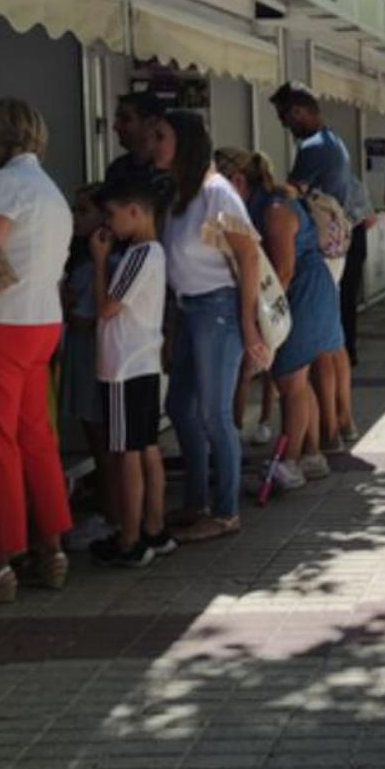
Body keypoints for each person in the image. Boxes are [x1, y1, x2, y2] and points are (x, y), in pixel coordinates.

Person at [154, 110, 268, 543]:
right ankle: (198, 500)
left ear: (182, 143)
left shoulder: (217, 193)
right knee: (181, 407)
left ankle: (225, 511)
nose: (154, 144)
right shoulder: (183, 195)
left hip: (217, 311)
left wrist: (247, 322)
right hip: (190, 311)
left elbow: (249, 255)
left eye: (161, 136)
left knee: (214, 413)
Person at [0, 99, 75, 604]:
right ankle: (52, 547)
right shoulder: (50, 189)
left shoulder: (5, 186)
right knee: (36, 437)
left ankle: (1, 560)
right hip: (43, 321)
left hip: (2, 325)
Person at [216, 148, 340, 491]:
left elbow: (282, 271)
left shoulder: (273, 211)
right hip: (303, 291)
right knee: (299, 379)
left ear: (239, 181)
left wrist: (263, 319)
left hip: (301, 294)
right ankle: (310, 454)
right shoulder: (266, 204)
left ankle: (290, 461)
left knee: (290, 381)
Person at [270, 82, 363, 448]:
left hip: (320, 249)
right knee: (333, 343)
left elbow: (293, 191)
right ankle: (343, 420)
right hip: (337, 243)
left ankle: (327, 430)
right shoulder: (333, 139)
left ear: (298, 112)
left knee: (318, 349)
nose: (284, 124)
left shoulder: (312, 147)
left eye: (284, 117)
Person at [88, 177, 173, 568]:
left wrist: (100, 260)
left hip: (123, 366)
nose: (107, 224)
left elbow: (108, 307)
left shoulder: (140, 254)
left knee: (127, 453)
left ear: (135, 212)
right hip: (142, 362)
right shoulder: (150, 254)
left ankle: (131, 537)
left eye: (112, 215)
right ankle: (154, 527)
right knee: (146, 448)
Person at [59, 185, 109, 528]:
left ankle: (110, 505)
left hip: (93, 350)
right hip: (77, 349)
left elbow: (90, 314)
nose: (75, 218)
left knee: (100, 429)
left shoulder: (101, 261)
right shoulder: (76, 256)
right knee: (90, 428)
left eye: (83, 212)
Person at [102, 91, 163, 193]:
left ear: (150, 123)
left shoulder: (169, 172)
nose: (116, 127)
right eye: (117, 119)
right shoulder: (117, 169)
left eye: (126, 119)